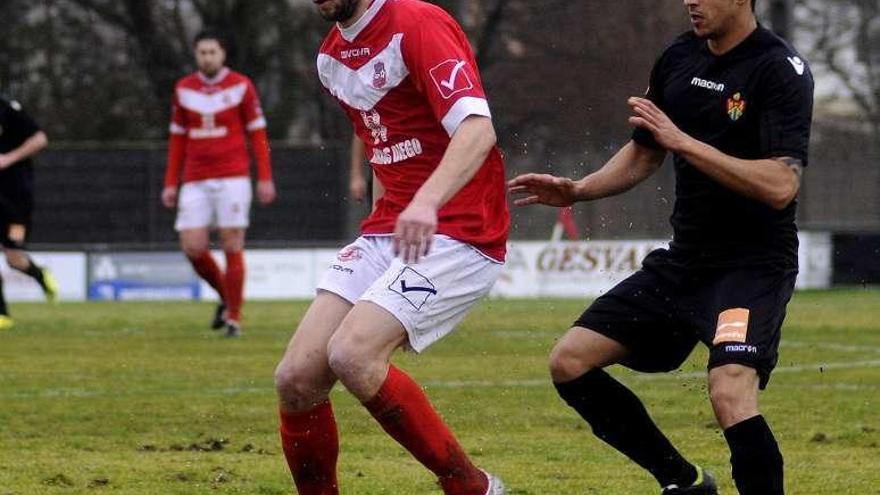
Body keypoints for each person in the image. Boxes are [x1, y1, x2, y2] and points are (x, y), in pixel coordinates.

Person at [509, 0, 813, 493]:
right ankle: (683, 481)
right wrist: (579, 189)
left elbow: (780, 184)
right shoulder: (679, 55)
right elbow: (646, 150)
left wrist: (685, 141)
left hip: (751, 266)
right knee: (569, 361)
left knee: (730, 388)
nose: (690, 1)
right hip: (685, 263)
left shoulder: (779, 70)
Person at [274, 0, 509, 493]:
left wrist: (425, 203)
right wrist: (384, 221)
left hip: (460, 232)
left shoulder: (416, 22)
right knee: (296, 379)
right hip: (391, 230)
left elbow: (477, 128)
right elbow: (387, 145)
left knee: (353, 355)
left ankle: (472, 487)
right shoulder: (330, 58)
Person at [162, 30, 276, 338]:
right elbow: (177, 139)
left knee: (231, 242)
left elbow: (257, 134)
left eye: (212, 52)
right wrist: (170, 182)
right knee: (192, 246)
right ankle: (228, 297)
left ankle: (234, 319)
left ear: (222, 54)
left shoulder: (241, 86)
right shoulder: (183, 89)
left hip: (233, 176)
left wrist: (265, 177)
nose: (207, 57)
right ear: (195, 55)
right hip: (195, 178)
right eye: (202, 52)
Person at [0, 95, 58, 330]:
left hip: (14, 197)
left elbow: (40, 138)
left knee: (14, 258)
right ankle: (2, 314)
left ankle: (39, 275)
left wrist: (7, 159)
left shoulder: (7, 109)